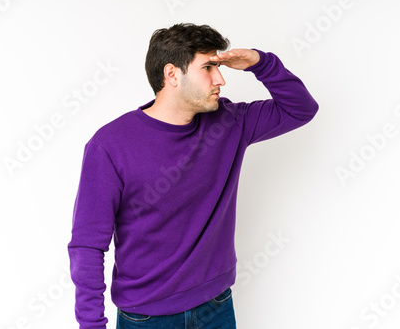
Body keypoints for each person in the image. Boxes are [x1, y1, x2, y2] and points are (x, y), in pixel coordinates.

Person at [67, 23, 319, 329]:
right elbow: (88, 245)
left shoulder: (230, 123)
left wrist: (260, 62)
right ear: (172, 74)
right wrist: (92, 325)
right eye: (209, 67)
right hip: (147, 318)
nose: (221, 79)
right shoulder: (110, 145)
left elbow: (301, 109)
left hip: (217, 305)